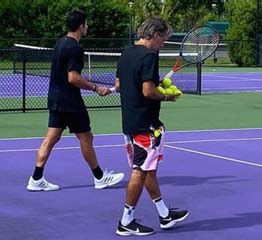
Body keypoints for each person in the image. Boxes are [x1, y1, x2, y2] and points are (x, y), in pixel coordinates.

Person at [26, 9, 124, 192]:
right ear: (81, 26)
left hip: (55, 99)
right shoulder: (75, 48)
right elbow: (73, 77)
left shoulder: (60, 43)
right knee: (86, 137)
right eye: (86, 24)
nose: (87, 27)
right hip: (70, 102)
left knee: (50, 139)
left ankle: (36, 178)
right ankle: (100, 177)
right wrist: (96, 88)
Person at [114, 17, 189, 236]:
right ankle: (126, 221)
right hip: (145, 125)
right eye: (163, 39)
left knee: (148, 169)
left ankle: (164, 214)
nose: (163, 44)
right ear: (155, 34)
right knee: (140, 170)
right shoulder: (149, 56)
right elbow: (148, 92)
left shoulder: (126, 53)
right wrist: (167, 96)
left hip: (129, 122)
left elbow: (119, 85)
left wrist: (156, 85)